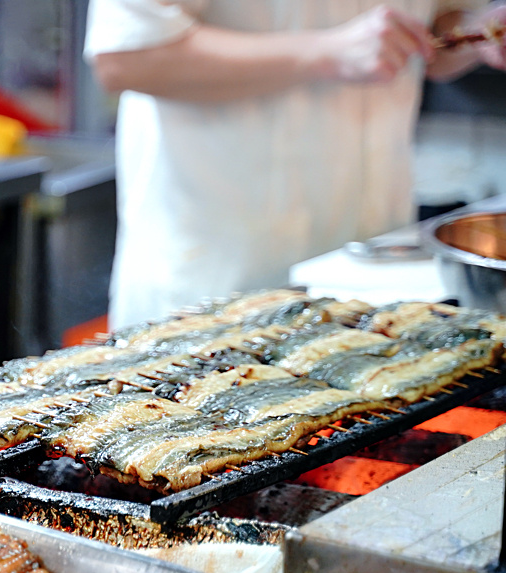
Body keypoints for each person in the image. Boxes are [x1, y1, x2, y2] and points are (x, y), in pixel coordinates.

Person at [84, 0, 506, 331]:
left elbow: (430, 30)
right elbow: (126, 55)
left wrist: (476, 31)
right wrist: (327, 52)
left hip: (366, 268)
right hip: (219, 271)